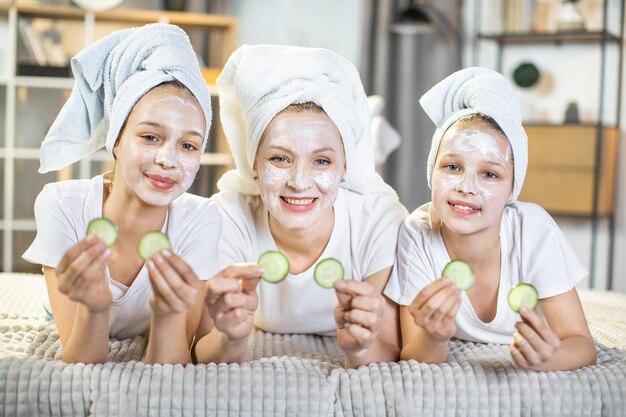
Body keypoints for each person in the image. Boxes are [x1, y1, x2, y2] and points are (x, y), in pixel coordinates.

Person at [192, 45, 408, 367]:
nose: (299, 182)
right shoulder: (227, 216)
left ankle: (373, 135)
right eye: (280, 158)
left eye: (321, 161)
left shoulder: (379, 220)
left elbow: (391, 348)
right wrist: (230, 339)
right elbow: (200, 349)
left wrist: (360, 349)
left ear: (345, 167)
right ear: (253, 164)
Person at [22, 24, 221, 365]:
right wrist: (94, 309)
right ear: (116, 139)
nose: (167, 160)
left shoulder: (202, 219)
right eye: (150, 137)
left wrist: (171, 314)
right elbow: (80, 361)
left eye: (188, 145)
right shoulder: (62, 205)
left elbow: (171, 366)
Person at [384, 67, 597, 371]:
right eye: (452, 167)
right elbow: (415, 356)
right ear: (431, 172)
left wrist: (549, 359)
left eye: (489, 174)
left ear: (513, 189)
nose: (466, 187)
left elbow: (580, 342)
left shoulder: (532, 229)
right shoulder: (417, 233)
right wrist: (434, 337)